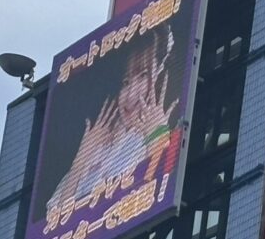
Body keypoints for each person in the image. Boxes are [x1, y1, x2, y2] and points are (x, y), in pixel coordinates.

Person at [46, 29, 179, 223]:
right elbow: (54, 225)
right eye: (126, 82)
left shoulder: (160, 134)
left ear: (160, 73)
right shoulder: (95, 146)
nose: (131, 94)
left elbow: (158, 191)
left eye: (143, 75)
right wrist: (79, 164)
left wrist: (157, 137)